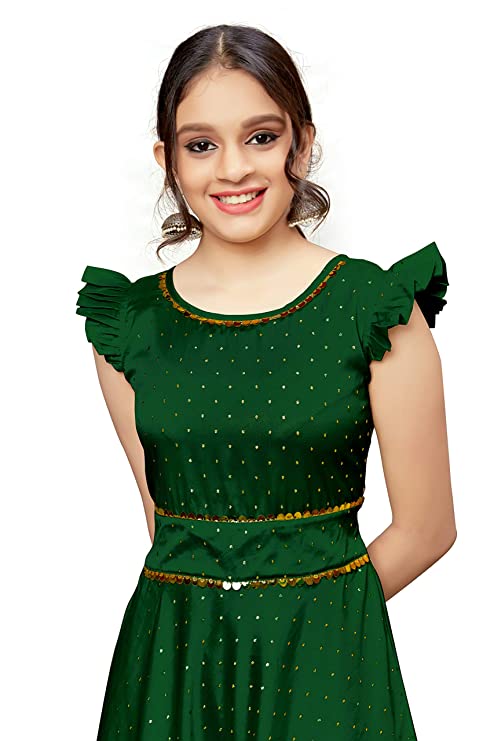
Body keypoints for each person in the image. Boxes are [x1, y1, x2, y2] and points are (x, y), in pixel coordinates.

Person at [76, 23, 456, 740]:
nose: (232, 169)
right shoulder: (131, 326)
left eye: (260, 136)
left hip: (324, 656)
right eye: (200, 144)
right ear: (167, 161)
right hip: (174, 659)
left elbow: (427, 528)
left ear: (301, 145)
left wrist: (307, 620)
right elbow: (167, 525)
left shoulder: (373, 310)